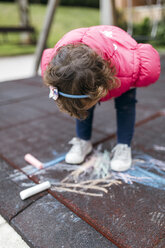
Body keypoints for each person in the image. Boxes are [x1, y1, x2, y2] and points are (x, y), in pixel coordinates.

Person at [41, 25, 161, 172]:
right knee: (80, 101)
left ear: (100, 88)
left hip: (121, 62)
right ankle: (83, 141)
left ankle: (124, 146)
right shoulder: (56, 70)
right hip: (85, 64)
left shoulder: (130, 68)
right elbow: (77, 94)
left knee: (126, 105)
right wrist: (82, 105)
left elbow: (148, 68)